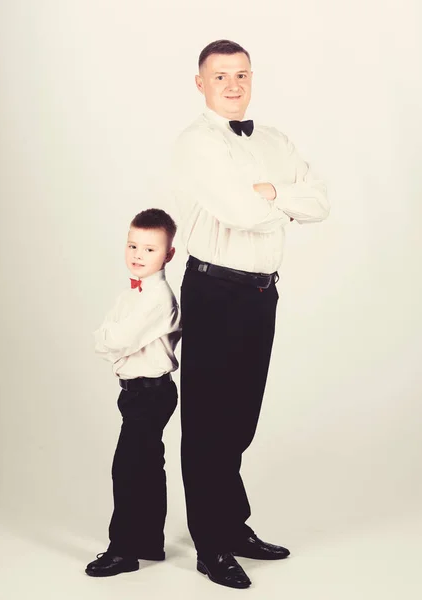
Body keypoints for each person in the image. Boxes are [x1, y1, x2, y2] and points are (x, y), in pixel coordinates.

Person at [171, 39, 330, 589]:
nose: (233, 85)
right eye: (221, 77)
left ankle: (233, 526)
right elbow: (242, 213)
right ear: (200, 83)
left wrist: (272, 193)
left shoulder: (275, 140)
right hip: (214, 291)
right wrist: (279, 202)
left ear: (251, 78)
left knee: (241, 418)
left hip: (263, 292)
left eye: (241, 75)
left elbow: (320, 202)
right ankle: (210, 544)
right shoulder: (196, 143)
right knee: (208, 422)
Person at [85, 208, 181, 577]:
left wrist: (111, 339)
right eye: (132, 245)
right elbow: (108, 336)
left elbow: (116, 338)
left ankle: (123, 550)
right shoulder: (132, 293)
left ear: (168, 255)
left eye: (150, 249)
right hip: (136, 393)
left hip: (151, 394)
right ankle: (149, 542)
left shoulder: (158, 297)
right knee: (148, 466)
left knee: (126, 469)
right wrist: (111, 339)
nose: (138, 255)